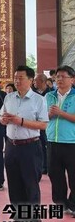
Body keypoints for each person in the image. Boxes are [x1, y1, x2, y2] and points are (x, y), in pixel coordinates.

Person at [0, 65, 48, 222]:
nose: (17, 80)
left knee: (30, 184)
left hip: (30, 146)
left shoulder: (39, 100)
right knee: (14, 183)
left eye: (21, 77)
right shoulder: (9, 97)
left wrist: (21, 121)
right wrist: (3, 120)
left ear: (30, 80)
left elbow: (43, 124)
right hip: (11, 145)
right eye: (15, 77)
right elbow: (1, 116)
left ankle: (33, 221)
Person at [45, 66, 75, 214]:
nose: (59, 80)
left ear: (72, 79)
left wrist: (61, 113)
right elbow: (42, 117)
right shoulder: (49, 96)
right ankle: (61, 203)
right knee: (55, 174)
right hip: (52, 141)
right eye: (57, 77)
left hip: (72, 142)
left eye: (63, 77)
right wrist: (49, 115)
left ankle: (74, 205)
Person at [34, 73, 52, 175]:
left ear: (42, 81)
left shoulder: (50, 94)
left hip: (47, 125)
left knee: (46, 146)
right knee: (38, 147)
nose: (34, 83)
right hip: (35, 124)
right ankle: (40, 166)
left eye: (36, 81)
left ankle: (46, 166)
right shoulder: (33, 93)